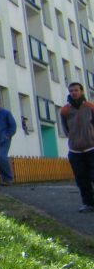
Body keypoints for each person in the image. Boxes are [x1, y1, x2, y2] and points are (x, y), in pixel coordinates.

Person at [59, 82, 94, 213]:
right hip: (75, 150)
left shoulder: (90, 107)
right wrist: (72, 137)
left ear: (82, 91)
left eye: (76, 90)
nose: (74, 93)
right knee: (81, 178)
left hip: (91, 148)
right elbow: (65, 128)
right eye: (71, 90)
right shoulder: (65, 110)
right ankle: (88, 203)